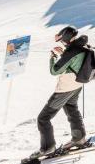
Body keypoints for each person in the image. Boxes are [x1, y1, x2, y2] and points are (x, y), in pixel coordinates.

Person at [35, 26, 89, 156]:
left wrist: (53, 57)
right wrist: (64, 53)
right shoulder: (82, 46)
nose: (61, 43)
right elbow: (74, 60)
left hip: (65, 87)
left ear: (65, 37)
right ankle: (79, 138)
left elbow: (55, 71)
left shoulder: (71, 51)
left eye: (61, 40)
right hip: (77, 84)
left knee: (43, 118)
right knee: (71, 108)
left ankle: (48, 147)